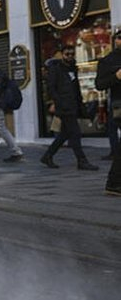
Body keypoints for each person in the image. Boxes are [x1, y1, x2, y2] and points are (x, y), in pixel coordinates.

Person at [40, 45, 98, 170]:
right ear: (62, 54)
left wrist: (81, 104)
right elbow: (52, 88)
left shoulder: (73, 68)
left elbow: (76, 88)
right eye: (67, 54)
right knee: (75, 133)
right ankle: (82, 161)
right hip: (64, 106)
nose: (70, 56)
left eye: (72, 54)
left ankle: (47, 156)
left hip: (73, 105)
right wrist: (58, 102)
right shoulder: (56, 69)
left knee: (65, 134)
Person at [95, 29, 121, 196]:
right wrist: (117, 77)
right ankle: (113, 182)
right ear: (116, 41)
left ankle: (113, 182)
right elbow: (99, 84)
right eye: (119, 38)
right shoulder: (108, 60)